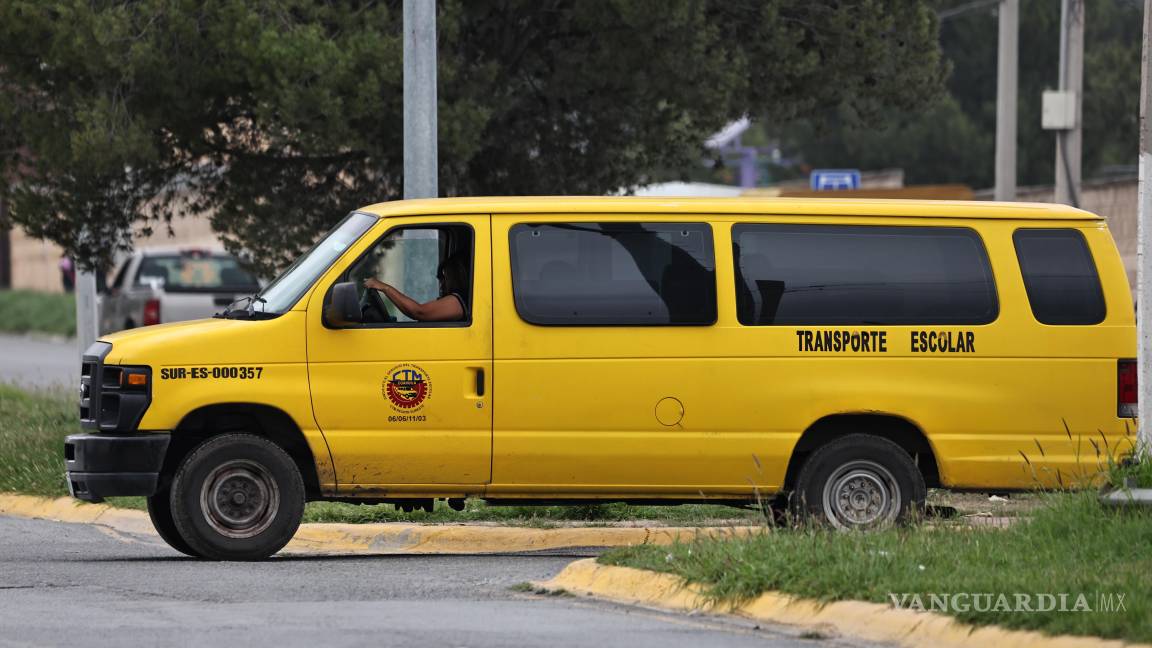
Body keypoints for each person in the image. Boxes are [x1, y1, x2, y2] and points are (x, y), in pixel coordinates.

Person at [362, 252, 469, 322]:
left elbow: (419, 312)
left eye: (444, 278)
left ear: (456, 276)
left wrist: (384, 288)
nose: (441, 285)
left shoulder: (459, 301)